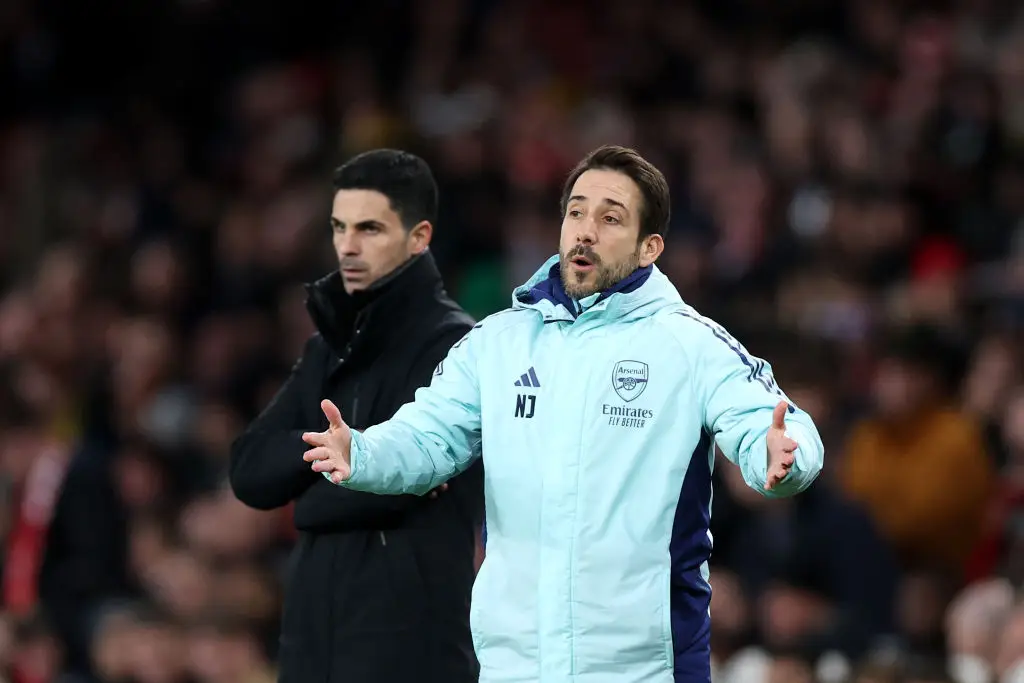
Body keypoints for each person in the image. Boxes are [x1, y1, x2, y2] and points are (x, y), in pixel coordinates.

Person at [302, 145, 825, 682]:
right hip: (514, 667)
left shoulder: (689, 345)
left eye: (610, 218)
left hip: (645, 669)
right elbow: (428, 437)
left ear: (650, 247)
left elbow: (771, 423)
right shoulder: (497, 343)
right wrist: (361, 452)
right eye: (576, 212)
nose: (585, 230)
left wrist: (781, 457)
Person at [229, 149, 483, 683]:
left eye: (369, 228)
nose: (347, 246)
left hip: (411, 644)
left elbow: (403, 484)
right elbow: (249, 471)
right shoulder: (328, 349)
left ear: (419, 237)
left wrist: (315, 489)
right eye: (339, 227)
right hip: (312, 637)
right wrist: (339, 462)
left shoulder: (457, 346)